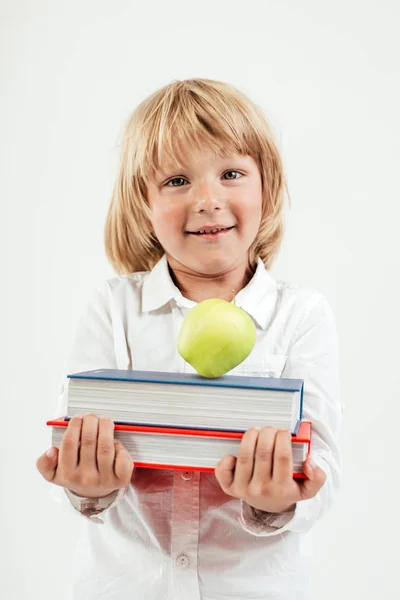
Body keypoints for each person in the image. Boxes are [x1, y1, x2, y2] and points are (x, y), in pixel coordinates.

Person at [36, 78, 341, 600]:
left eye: (231, 173)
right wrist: (86, 486)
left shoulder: (302, 314)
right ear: (145, 202)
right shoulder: (112, 308)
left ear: (266, 186)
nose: (207, 199)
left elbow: (324, 466)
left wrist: (279, 499)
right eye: (177, 180)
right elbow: (71, 441)